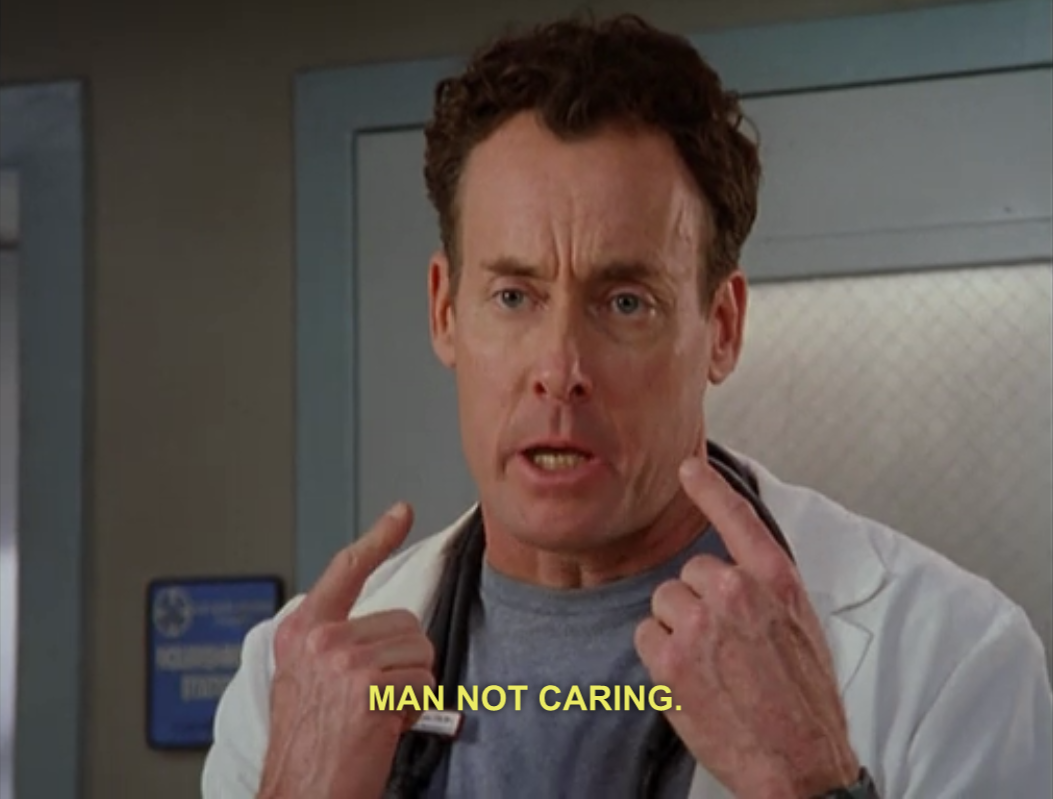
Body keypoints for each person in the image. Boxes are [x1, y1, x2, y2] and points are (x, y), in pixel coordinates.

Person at [201, 14, 1053, 799]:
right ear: (444, 311)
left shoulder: (949, 657)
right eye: (512, 296)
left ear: (721, 328)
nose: (560, 370)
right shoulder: (291, 680)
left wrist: (811, 785)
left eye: (624, 302)